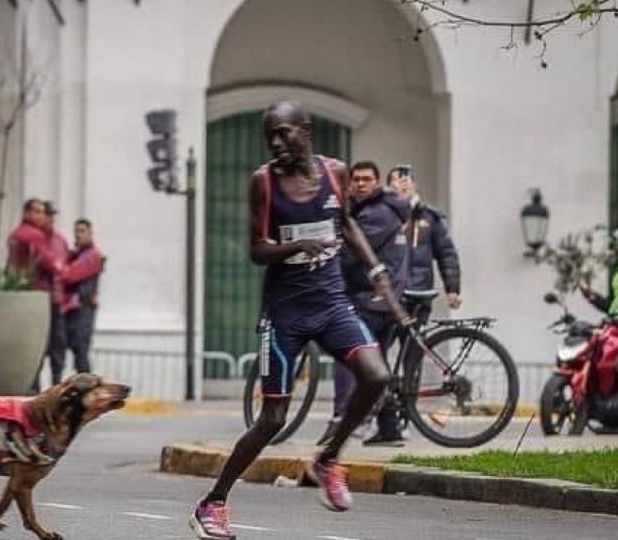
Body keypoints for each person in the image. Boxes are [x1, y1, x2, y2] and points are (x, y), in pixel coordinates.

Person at [190, 101, 412, 540]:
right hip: (284, 316)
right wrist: (293, 248)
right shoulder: (263, 182)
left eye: (285, 133)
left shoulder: (335, 173)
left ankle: (328, 458)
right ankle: (211, 503)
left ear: (306, 132)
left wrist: (377, 273)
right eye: (269, 135)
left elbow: (347, 225)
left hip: (331, 304)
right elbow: (256, 249)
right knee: (272, 419)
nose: (276, 143)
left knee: (376, 375)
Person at [331, 161, 411, 447]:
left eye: (367, 179)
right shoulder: (371, 209)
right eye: (356, 180)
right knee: (378, 363)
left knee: (346, 352)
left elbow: (352, 253)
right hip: (379, 298)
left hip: (375, 298)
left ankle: (341, 416)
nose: (360, 184)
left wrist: (328, 268)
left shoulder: (378, 213)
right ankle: (389, 428)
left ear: (378, 183)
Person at [388, 166, 462, 312]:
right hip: (391, 292)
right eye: (396, 181)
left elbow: (447, 254)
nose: (402, 185)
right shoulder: (384, 215)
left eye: (405, 180)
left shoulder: (430, 217)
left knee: (416, 332)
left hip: (419, 292)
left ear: (414, 185)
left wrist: (452, 289)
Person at [61, 219, 104, 377]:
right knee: (72, 348)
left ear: (90, 233)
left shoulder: (92, 255)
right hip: (73, 308)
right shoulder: (77, 254)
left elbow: (70, 275)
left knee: (80, 350)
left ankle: (86, 386)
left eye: (82, 231)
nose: (78, 235)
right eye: (76, 231)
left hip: (83, 307)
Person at [42, 201, 71, 386]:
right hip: (40, 300)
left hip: (58, 301)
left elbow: (67, 267)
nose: (50, 219)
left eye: (52, 215)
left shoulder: (60, 240)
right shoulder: (36, 239)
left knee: (58, 344)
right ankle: (33, 388)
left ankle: (57, 383)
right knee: (38, 346)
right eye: (47, 215)